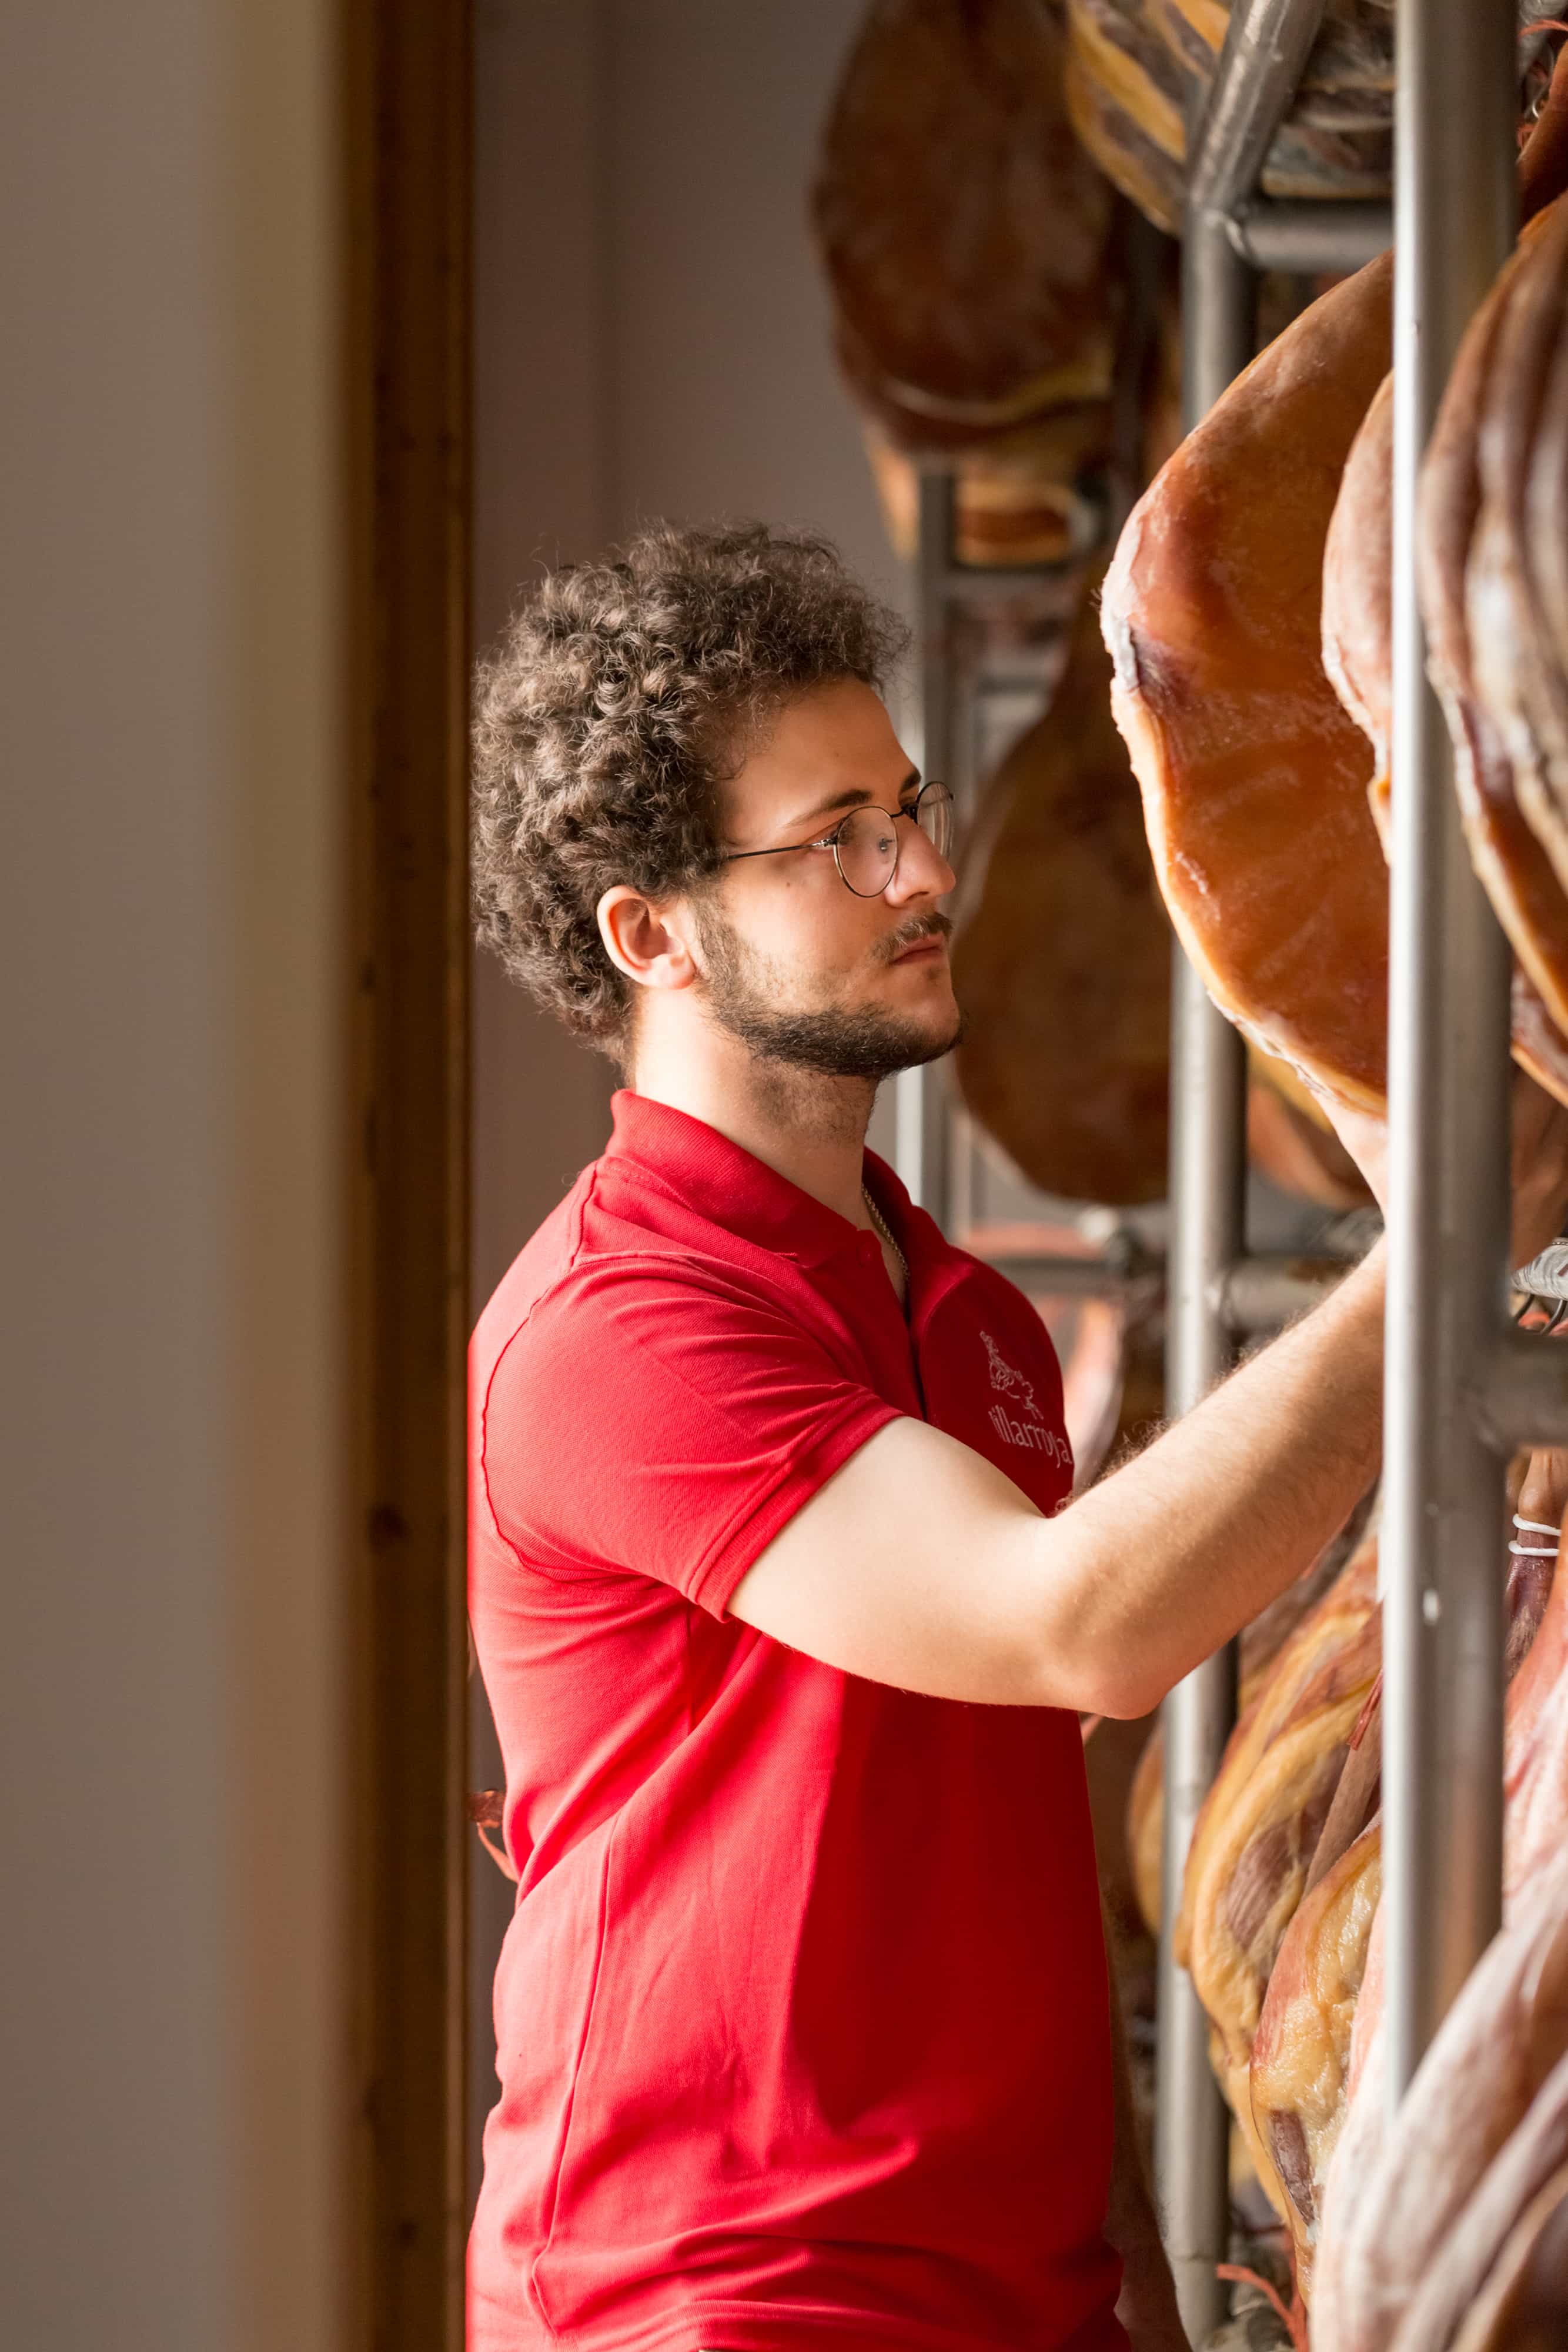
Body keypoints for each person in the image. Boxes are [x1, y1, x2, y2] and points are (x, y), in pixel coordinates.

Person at [466, 522, 1568, 2352]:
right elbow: (1082, 1628)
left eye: (907, 802)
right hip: (727, 2302)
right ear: (650, 935)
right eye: (837, 840)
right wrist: (1461, 1214)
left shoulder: (957, 1307)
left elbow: (1003, 1836)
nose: (922, 868)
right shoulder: (615, 1331)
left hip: (1012, 2305)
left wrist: (1117, 2265)